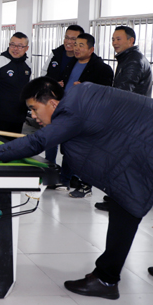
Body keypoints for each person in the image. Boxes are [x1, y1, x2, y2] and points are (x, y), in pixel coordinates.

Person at [0, 77, 153, 299]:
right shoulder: (79, 94)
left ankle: (106, 279)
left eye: (34, 108)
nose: (33, 116)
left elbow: (38, 141)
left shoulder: (72, 112)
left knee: (125, 204)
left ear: (52, 102)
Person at [59, 33, 114, 198]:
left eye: (81, 45)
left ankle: (86, 185)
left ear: (91, 49)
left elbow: (106, 94)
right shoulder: (71, 64)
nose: (76, 48)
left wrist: (86, 87)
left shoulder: (102, 69)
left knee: (84, 151)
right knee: (68, 147)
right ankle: (65, 180)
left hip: (88, 116)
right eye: (75, 44)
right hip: (69, 111)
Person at [40, 25, 84, 185]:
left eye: (73, 39)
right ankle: (50, 174)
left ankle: (67, 178)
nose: (69, 42)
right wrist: (51, 84)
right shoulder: (55, 54)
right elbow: (43, 76)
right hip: (52, 106)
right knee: (51, 141)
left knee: (69, 144)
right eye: (67, 37)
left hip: (73, 107)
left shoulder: (82, 58)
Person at [112, 25, 153, 96]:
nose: (114, 43)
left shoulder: (134, 61)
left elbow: (123, 93)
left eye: (118, 39)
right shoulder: (128, 58)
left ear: (131, 40)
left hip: (133, 103)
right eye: (113, 40)